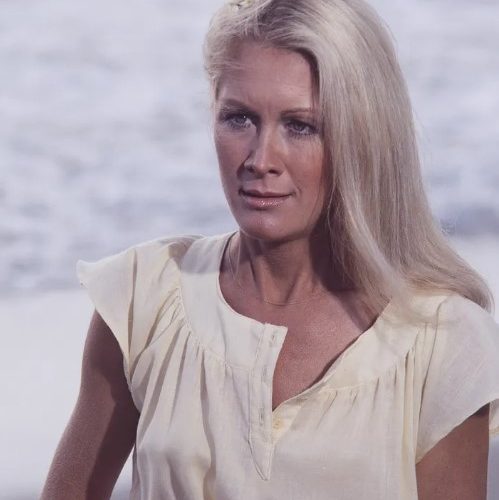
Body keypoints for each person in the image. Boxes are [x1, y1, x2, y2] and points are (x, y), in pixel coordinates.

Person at [41, 0, 499, 498]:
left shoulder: (442, 342)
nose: (261, 160)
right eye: (239, 118)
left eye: (300, 126)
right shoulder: (142, 297)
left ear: (363, 136)